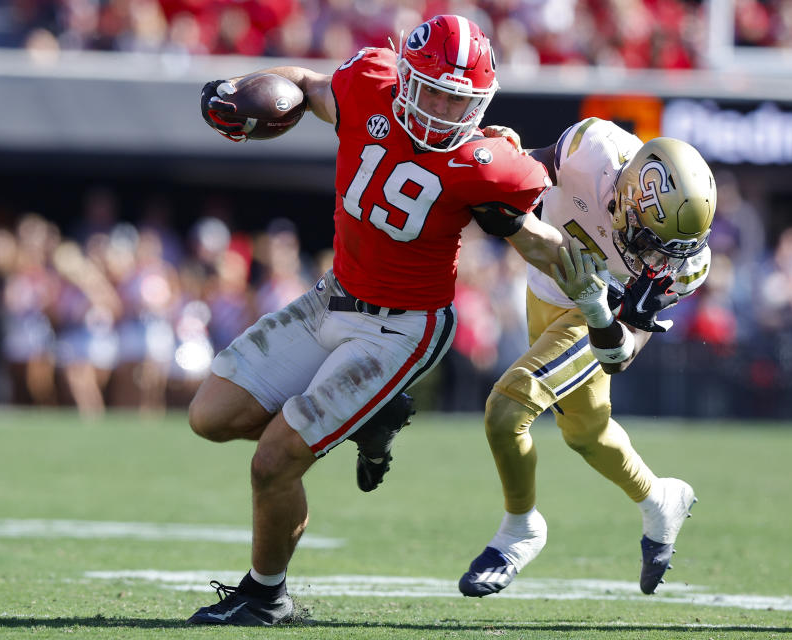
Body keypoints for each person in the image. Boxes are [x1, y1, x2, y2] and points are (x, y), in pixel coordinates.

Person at [186, 14, 564, 626]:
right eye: (434, 90)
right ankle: (368, 420)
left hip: (404, 328)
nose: (442, 109)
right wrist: (248, 83)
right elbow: (307, 84)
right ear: (406, 77)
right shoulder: (369, 81)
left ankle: (265, 595)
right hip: (332, 296)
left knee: (275, 461)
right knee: (210, 416)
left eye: (458, 98)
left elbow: (543, 237)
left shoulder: (491, 163)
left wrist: (604, 290)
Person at [457, 118, 717, 598]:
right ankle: (661, 499)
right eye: (649, 241)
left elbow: (621, 354)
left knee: (506, 411)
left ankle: (519, 529)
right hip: (542, 287)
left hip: (592, 313)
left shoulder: (684, 265)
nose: (658, 262)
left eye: (671, 251)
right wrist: (508, 154)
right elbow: (533, 167)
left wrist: (597, 307)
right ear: (628, 196)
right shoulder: (592, 150)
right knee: (586, 432)